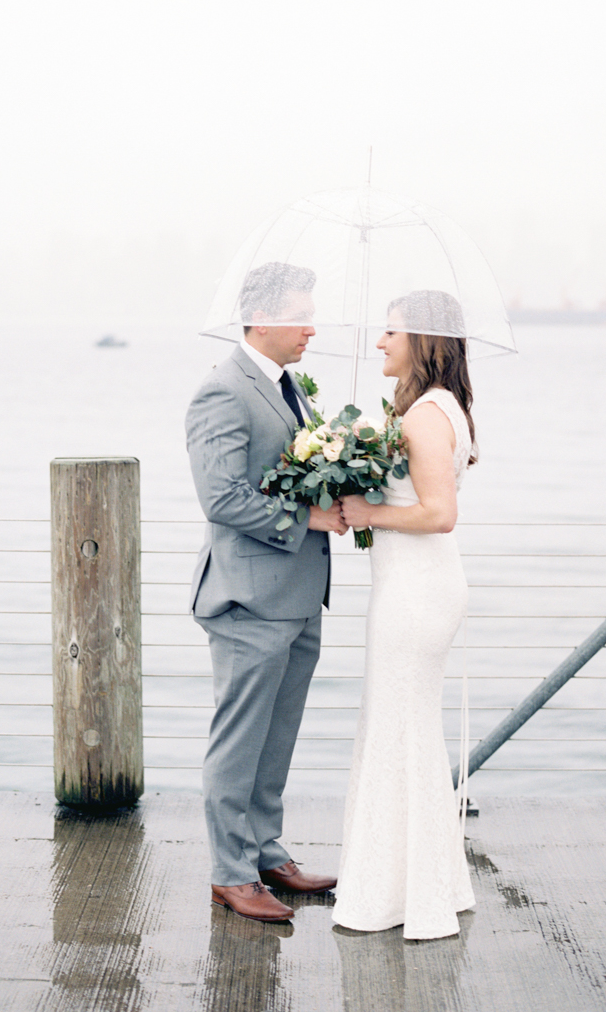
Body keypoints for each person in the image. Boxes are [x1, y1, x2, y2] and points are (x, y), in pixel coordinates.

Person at [186, 261, 347, 924]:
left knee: (276, 738)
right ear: (261, 317)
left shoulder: (289, 386)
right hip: (249, 598)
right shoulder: (222, 390)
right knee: (239, 740)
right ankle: (230, 872)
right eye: (302, 313)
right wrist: (306, 517)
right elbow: (221, 497)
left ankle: (266, 851)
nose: (312, 326)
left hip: (300, 595)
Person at [332, 288, 477, 939]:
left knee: (403, 730)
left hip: (415, 592)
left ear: (423, 341)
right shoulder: (440, 407)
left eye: (390, 332)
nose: (381, 343)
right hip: (414, 587)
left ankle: (405, 895)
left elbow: (439, 514)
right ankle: (423, 882)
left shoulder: (424, 415)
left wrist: (368, 512)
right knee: (405, 727)